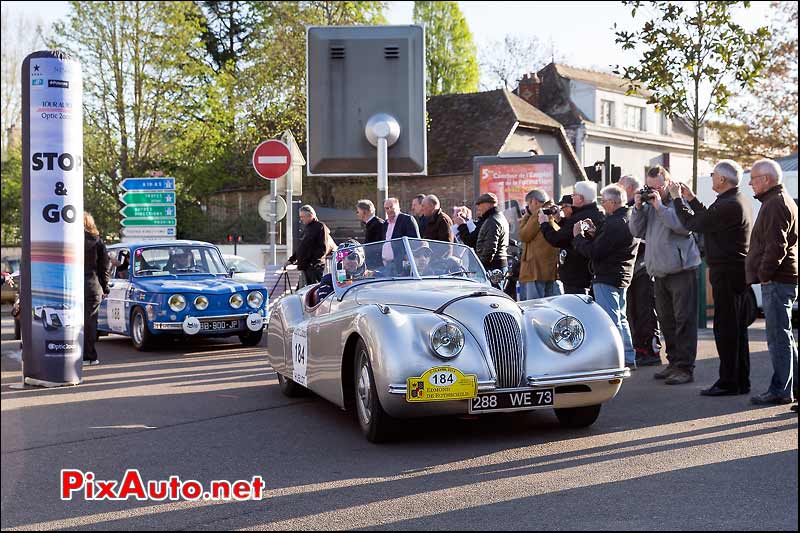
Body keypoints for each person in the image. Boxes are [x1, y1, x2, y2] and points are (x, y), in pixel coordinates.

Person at [669, 160, 753, 396]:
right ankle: (739, 380)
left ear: (723, 180)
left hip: (727, 272)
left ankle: (729, 382)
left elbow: (694, 223)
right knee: (735, 329)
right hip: (733, 271)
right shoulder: (735, 201)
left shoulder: (729, 204)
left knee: (726, 329)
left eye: (714, 175)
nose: (711, 177)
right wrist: (692, 199)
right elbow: (708, 217)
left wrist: (677, 198)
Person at [629, 165, 701, 386]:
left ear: (668, 183)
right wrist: (639, 208)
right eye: (650, 187)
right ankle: (673, 362)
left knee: (684, 320)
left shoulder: (678, 201)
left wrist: (660, 206)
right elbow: (636, 231)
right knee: (667, 320)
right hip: (659, 272)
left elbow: (683, 227)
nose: (654, 191)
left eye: (658, 186)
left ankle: (685, 368)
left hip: (681, 271)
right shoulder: (650, 205)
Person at [745, 158, 798, 406]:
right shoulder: (779, 200)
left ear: (766, 179)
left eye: (753, 179)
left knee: (778, 337)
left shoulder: (775, 203)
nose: (750, 183)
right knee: (784, 336)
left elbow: (776, 246)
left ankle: (780, 390)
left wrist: (765, 275)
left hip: (778, 280)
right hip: (781, 278)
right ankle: (790, 387)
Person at [573, 184, 639, 369]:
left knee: (611, 320)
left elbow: (596, 251)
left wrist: (578, 237)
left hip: (608, 275)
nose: (602, 204)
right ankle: (627, 356)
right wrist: (595, 234)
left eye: (603, 200)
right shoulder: (629, 218)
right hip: (622, 274)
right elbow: (610, 245)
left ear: (611, 202)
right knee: (621, 318)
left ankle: (615, 360)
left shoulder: (614, 223)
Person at [618, 175, 662, 367]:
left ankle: (652, 350)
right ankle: (639, 349)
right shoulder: (633, 208)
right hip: (632, 269)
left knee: (646, 311)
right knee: (633, 311)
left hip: (644, 267)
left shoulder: (646, 206)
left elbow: (640, 235)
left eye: (621, 187)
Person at [539, 181, 604, 295]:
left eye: (574, 195)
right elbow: (569, 234)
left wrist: (544, 224)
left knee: (578, 309)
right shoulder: (596, 214)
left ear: (580, 198)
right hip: (587, 273)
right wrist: (560, 220)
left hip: (577, 274)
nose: (572, 197)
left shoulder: (579, 217)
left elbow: (558, 239)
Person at [518, 189, 561, 300]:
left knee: (534, 306)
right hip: (549, 269)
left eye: (528, 204)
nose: (527, 208)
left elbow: (524, 235)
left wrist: (526, 217)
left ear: (534, 201)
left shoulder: (539, 212)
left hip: (536, 269)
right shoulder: (552, 211)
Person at [457, 192, 509, 273]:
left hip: (492, 268)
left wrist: (480, 266)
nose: (478, 208)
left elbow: (489, 249)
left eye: (479, 205)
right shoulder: (498, 217)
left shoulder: (492, 221)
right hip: (497, 265)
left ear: (487, 205)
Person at [83, 212, 110, 366]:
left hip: (72, 286)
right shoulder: (97, 241)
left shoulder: (69, 240)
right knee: (90, 321)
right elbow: (104, 267)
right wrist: (105, 288)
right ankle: (89, 355)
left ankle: (71, 351)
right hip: (92, 286)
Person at [287, 205, 330, 289]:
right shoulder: (307, 228)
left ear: (310, 216)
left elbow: (323, 247)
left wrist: (313, 263)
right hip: (305, 267)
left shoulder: (319, 226)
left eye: (303, 217)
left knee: (314, 290)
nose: (301, 219)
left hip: (313, 267)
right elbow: (302, 247)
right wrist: (291, 259)